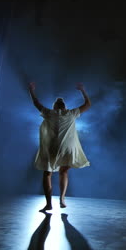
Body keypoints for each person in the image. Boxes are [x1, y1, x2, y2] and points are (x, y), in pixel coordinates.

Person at [28, 81, 91, 211]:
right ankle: (62, 199)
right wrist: (82, 90)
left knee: (47, 173)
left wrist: (31, 90)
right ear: (64, 107)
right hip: (68, 148)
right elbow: (88, 104)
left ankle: (49, 203)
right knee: (63, 171)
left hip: (53, 148)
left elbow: (36, 103)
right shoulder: (71, 113)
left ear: (54, 107)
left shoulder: (49, 113)